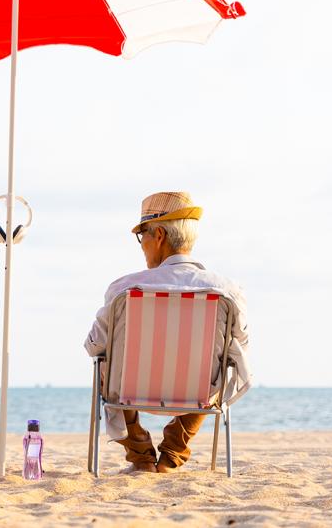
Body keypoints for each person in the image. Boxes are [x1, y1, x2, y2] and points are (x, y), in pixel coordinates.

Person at [84, 192, 252, 473]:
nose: (142, 246)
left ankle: (140, 456)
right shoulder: (226, 290)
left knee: (107, 363)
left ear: (159, 235)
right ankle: (173, 453)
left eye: (142, 236)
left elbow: (94, 346)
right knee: (226, 359)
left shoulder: (124, 290)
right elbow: (242, 341)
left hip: (129, 391)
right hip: (198, 394)